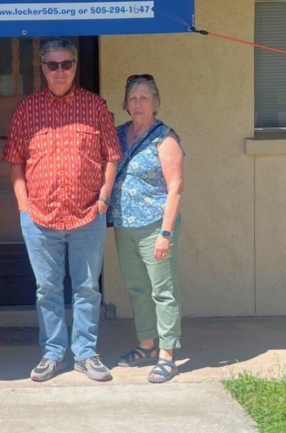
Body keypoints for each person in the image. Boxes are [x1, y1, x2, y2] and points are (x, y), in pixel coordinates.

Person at [4, 38, 122, 382]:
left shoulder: (95, 105)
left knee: (87, 288)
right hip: (39, 217)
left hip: (87, 214)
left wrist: (102, 200)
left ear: (75, 66)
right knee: (47, 289)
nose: (59, 71)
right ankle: (53, 352)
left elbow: (112, 155)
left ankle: (86, 353)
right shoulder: (27, 108)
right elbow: (14, 160)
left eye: (65, 64)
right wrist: (23, 205)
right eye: (52, 64)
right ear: (42, 68)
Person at [109, 75, 185, 383]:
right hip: (125, 224)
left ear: (155, 102)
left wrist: (165, 234)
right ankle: (146, 344)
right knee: (137, 287)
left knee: (162, 291)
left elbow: (176, 188)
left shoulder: (165, 139)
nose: (138, 103)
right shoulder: (119, 134)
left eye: (144, 98)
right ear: (126, 104)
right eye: (132, 98)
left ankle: (167, 354)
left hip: (155, 225)